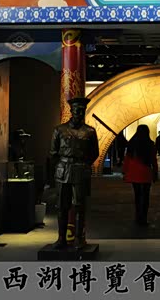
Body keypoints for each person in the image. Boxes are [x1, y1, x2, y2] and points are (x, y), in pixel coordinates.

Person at [49, 97, 99, 249]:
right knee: (61, 206)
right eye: (77, 110)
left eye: (82, 111)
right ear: (71, 111)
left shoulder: (90, 131)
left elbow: (94, 153)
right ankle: (61, 239)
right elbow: (53, 152)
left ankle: (79, 238)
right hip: (63, 169)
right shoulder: (59, 130)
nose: (79, 113)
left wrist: (83, 164)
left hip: (80, 170)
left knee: (79, 205)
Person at [123, 125, 158, 226]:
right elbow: (153, 160)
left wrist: (125, 171)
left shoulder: (132, 143)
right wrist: (155, 173)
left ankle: (138, 216)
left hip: (134, 172)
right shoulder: (150, 144)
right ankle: (144, 218)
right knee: (146, 196)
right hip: (146, 173)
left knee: (137, 195)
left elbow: (127, 158)